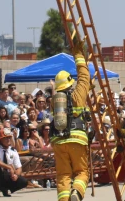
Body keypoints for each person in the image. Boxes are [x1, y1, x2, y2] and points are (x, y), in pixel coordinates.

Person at [51, 33, 91, 201]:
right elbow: (84, 76)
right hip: (77, 139)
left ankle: (64, 199)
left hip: (58, 141)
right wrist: (79, 55)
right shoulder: (78, 95)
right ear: (70, 83)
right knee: (82, 172)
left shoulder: (54, 101)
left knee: (63, 175)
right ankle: (77, 192)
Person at [0, 127, 28, 197]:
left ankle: (5, 188)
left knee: (24, 182)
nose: (8, 140)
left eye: (9, 138)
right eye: (6, 138)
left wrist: (16, 175)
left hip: (8, 175)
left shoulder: (13, 151)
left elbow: (19, 167)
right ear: (0, 139)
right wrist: (8, 167)